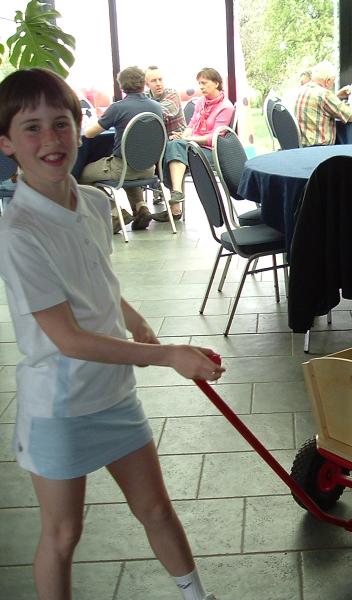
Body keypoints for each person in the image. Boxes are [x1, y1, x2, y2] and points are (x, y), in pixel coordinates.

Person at [0, 68, 222, 600]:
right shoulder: (19, 232)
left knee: (155, 508)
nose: (51, 138)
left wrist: (133, 318)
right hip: (59, 407)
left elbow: (97, 281)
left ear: (79, 129)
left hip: (113, 394)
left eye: (61, 123)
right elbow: (68, 338)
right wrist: (168, 355)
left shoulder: (96, 203)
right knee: (63, 533)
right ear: (6, 143)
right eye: (32, 128)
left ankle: (197, 596)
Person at [80, 66, 163, 233]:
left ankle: (114, 211)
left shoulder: (117, 108)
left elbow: (89, 133)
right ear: (144, 83)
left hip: (123, 169)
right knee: (131, 163)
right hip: (148, 169)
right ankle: (141, 208)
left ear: (121, 86)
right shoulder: (156, 107)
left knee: (80, 176)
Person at [152, 67, 234, 222]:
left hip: (212, 151)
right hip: (194, 146)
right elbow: (192, 124)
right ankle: (176, 197)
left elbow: (214, 138)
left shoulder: (226, 107)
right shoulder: (201, 102)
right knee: (171, 144)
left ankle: (176, 204)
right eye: (199, 83)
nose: (201, 87)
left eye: (204, 83)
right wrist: (184, 136)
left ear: (216, 83)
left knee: (174, 148)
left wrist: (189, 139)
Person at [294, 60, 352, 147]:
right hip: (321, 149)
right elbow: (351, 116)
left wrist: (336, 96)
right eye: (333, 81)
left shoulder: (301, 90)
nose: (333, 84)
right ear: (327, 81)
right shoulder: (324, 94)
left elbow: (319, 105)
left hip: (302, 146)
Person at [145, 65, 186, 138]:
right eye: (154, 81)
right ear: (147, 84)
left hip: (178, 139)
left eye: (160, 79)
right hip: (159, 140)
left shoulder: (172, 94)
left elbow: (160, 113)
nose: (158, 84)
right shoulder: (145, 96)